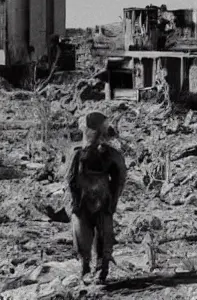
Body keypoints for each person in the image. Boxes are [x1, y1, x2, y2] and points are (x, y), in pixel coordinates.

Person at [66, 111, 127, 282]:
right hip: (83, 200)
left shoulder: (110, 154)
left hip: (102, 198)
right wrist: (74, 200)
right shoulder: (77, 153)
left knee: (104, 234)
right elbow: (69, 178)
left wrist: (113, 199)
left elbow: (120, 176)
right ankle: (85, 267)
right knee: (82, 235)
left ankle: (102, 267)